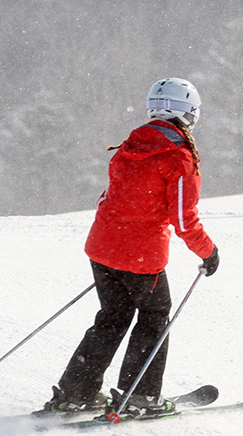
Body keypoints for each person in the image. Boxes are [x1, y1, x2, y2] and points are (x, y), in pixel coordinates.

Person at [41, 77, 219, 415]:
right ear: (190, 114)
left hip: (102, 248)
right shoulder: (179, 156)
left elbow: (109, 196)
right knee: (153, 317)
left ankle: (75, 392)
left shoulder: (131, 144)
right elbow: (184, 219)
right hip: (141, 258)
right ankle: (140, 396)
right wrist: (208, 252)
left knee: (112, 317)